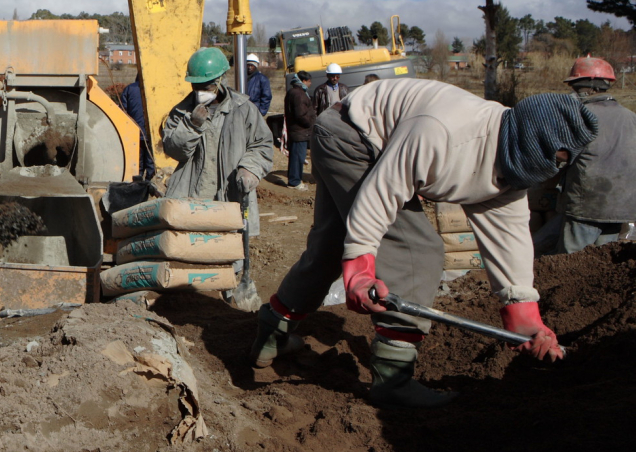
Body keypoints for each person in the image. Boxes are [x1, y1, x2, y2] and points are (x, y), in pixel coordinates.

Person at [251, 79, 597, 408]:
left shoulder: (512, 167)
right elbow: (382, 194)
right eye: (557, 161)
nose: (555, 172)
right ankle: (394, 378)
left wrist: (523, 312)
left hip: (373, 134)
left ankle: (272, 333)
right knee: (416, 249)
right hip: (353, 136)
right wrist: (360, 267)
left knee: (330, 248)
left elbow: (510, 239)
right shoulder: (444, 132)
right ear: (531, 143)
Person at [161, 47, 273, 236]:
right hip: (192, 199)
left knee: (231, 253)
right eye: (196, 87)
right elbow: (173, 149)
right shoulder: (181, 112)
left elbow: (262, 144)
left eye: (207, 86)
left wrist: (250, 168)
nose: (201, 92)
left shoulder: (244, 110)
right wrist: (192, 125)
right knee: (192, 251)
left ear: (221, 81)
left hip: (231, 198)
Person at [535, 56, 636, 254]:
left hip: (587, 204)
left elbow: (561, 155)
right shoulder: (631, 117)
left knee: (573, 262)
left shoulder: (580, 117)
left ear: (584, 88)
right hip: (622, 206)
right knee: (602, 261)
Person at [117, 77, 156, 180]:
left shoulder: (129, 89)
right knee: (152, 166)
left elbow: (122, 112)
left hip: (134, 135)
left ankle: (136, 186)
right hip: (152, 134)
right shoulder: (156, 87)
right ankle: (151, 188)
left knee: (136, 166)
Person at [283, 71, 316, 190]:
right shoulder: (299, 94)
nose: (310, 84)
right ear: (303, 81)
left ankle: (295, 179)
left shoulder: (295, 92)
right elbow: (300, 114)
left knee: (296, 156)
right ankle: (294, 181)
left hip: (298, 130)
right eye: (309, 81)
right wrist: (310, 123)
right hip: (299, 131)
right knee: (297, 157)